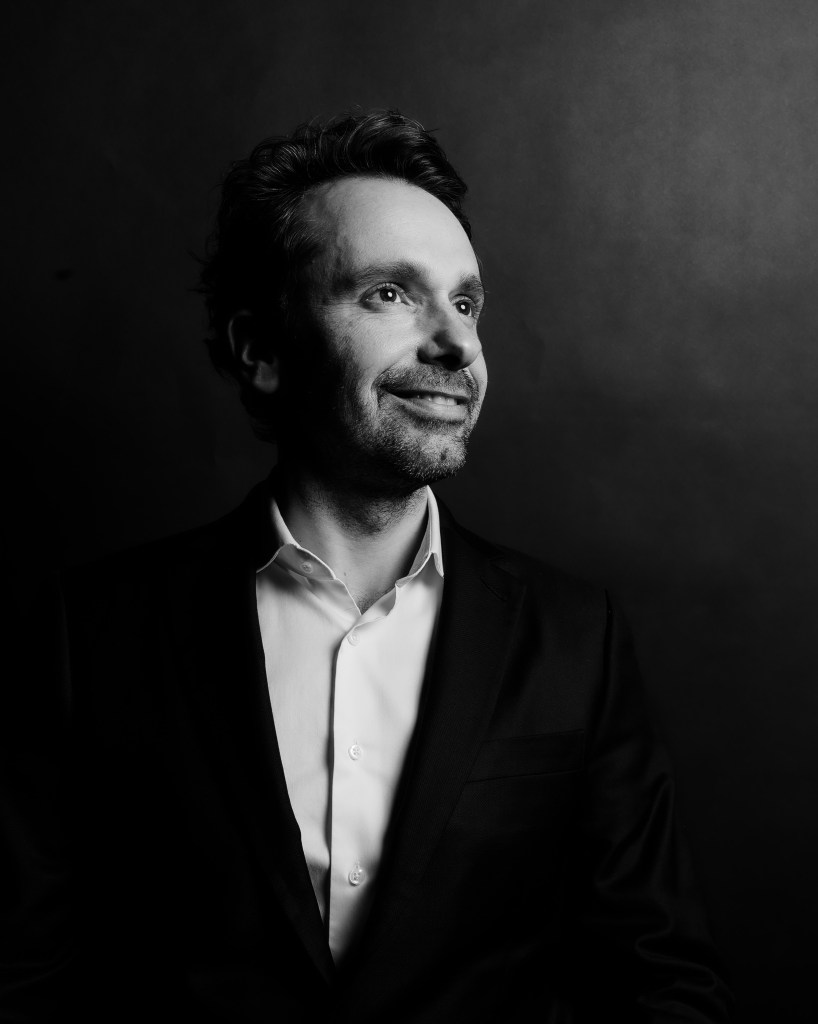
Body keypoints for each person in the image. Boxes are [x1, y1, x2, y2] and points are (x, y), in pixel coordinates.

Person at [2, 110, 732, 1023]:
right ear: (262, 352)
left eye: (465, 303)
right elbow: (22, 983)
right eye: (390, 293)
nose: (455, 345)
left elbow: (662, 982)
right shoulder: (91, 634)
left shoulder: (574, 637)